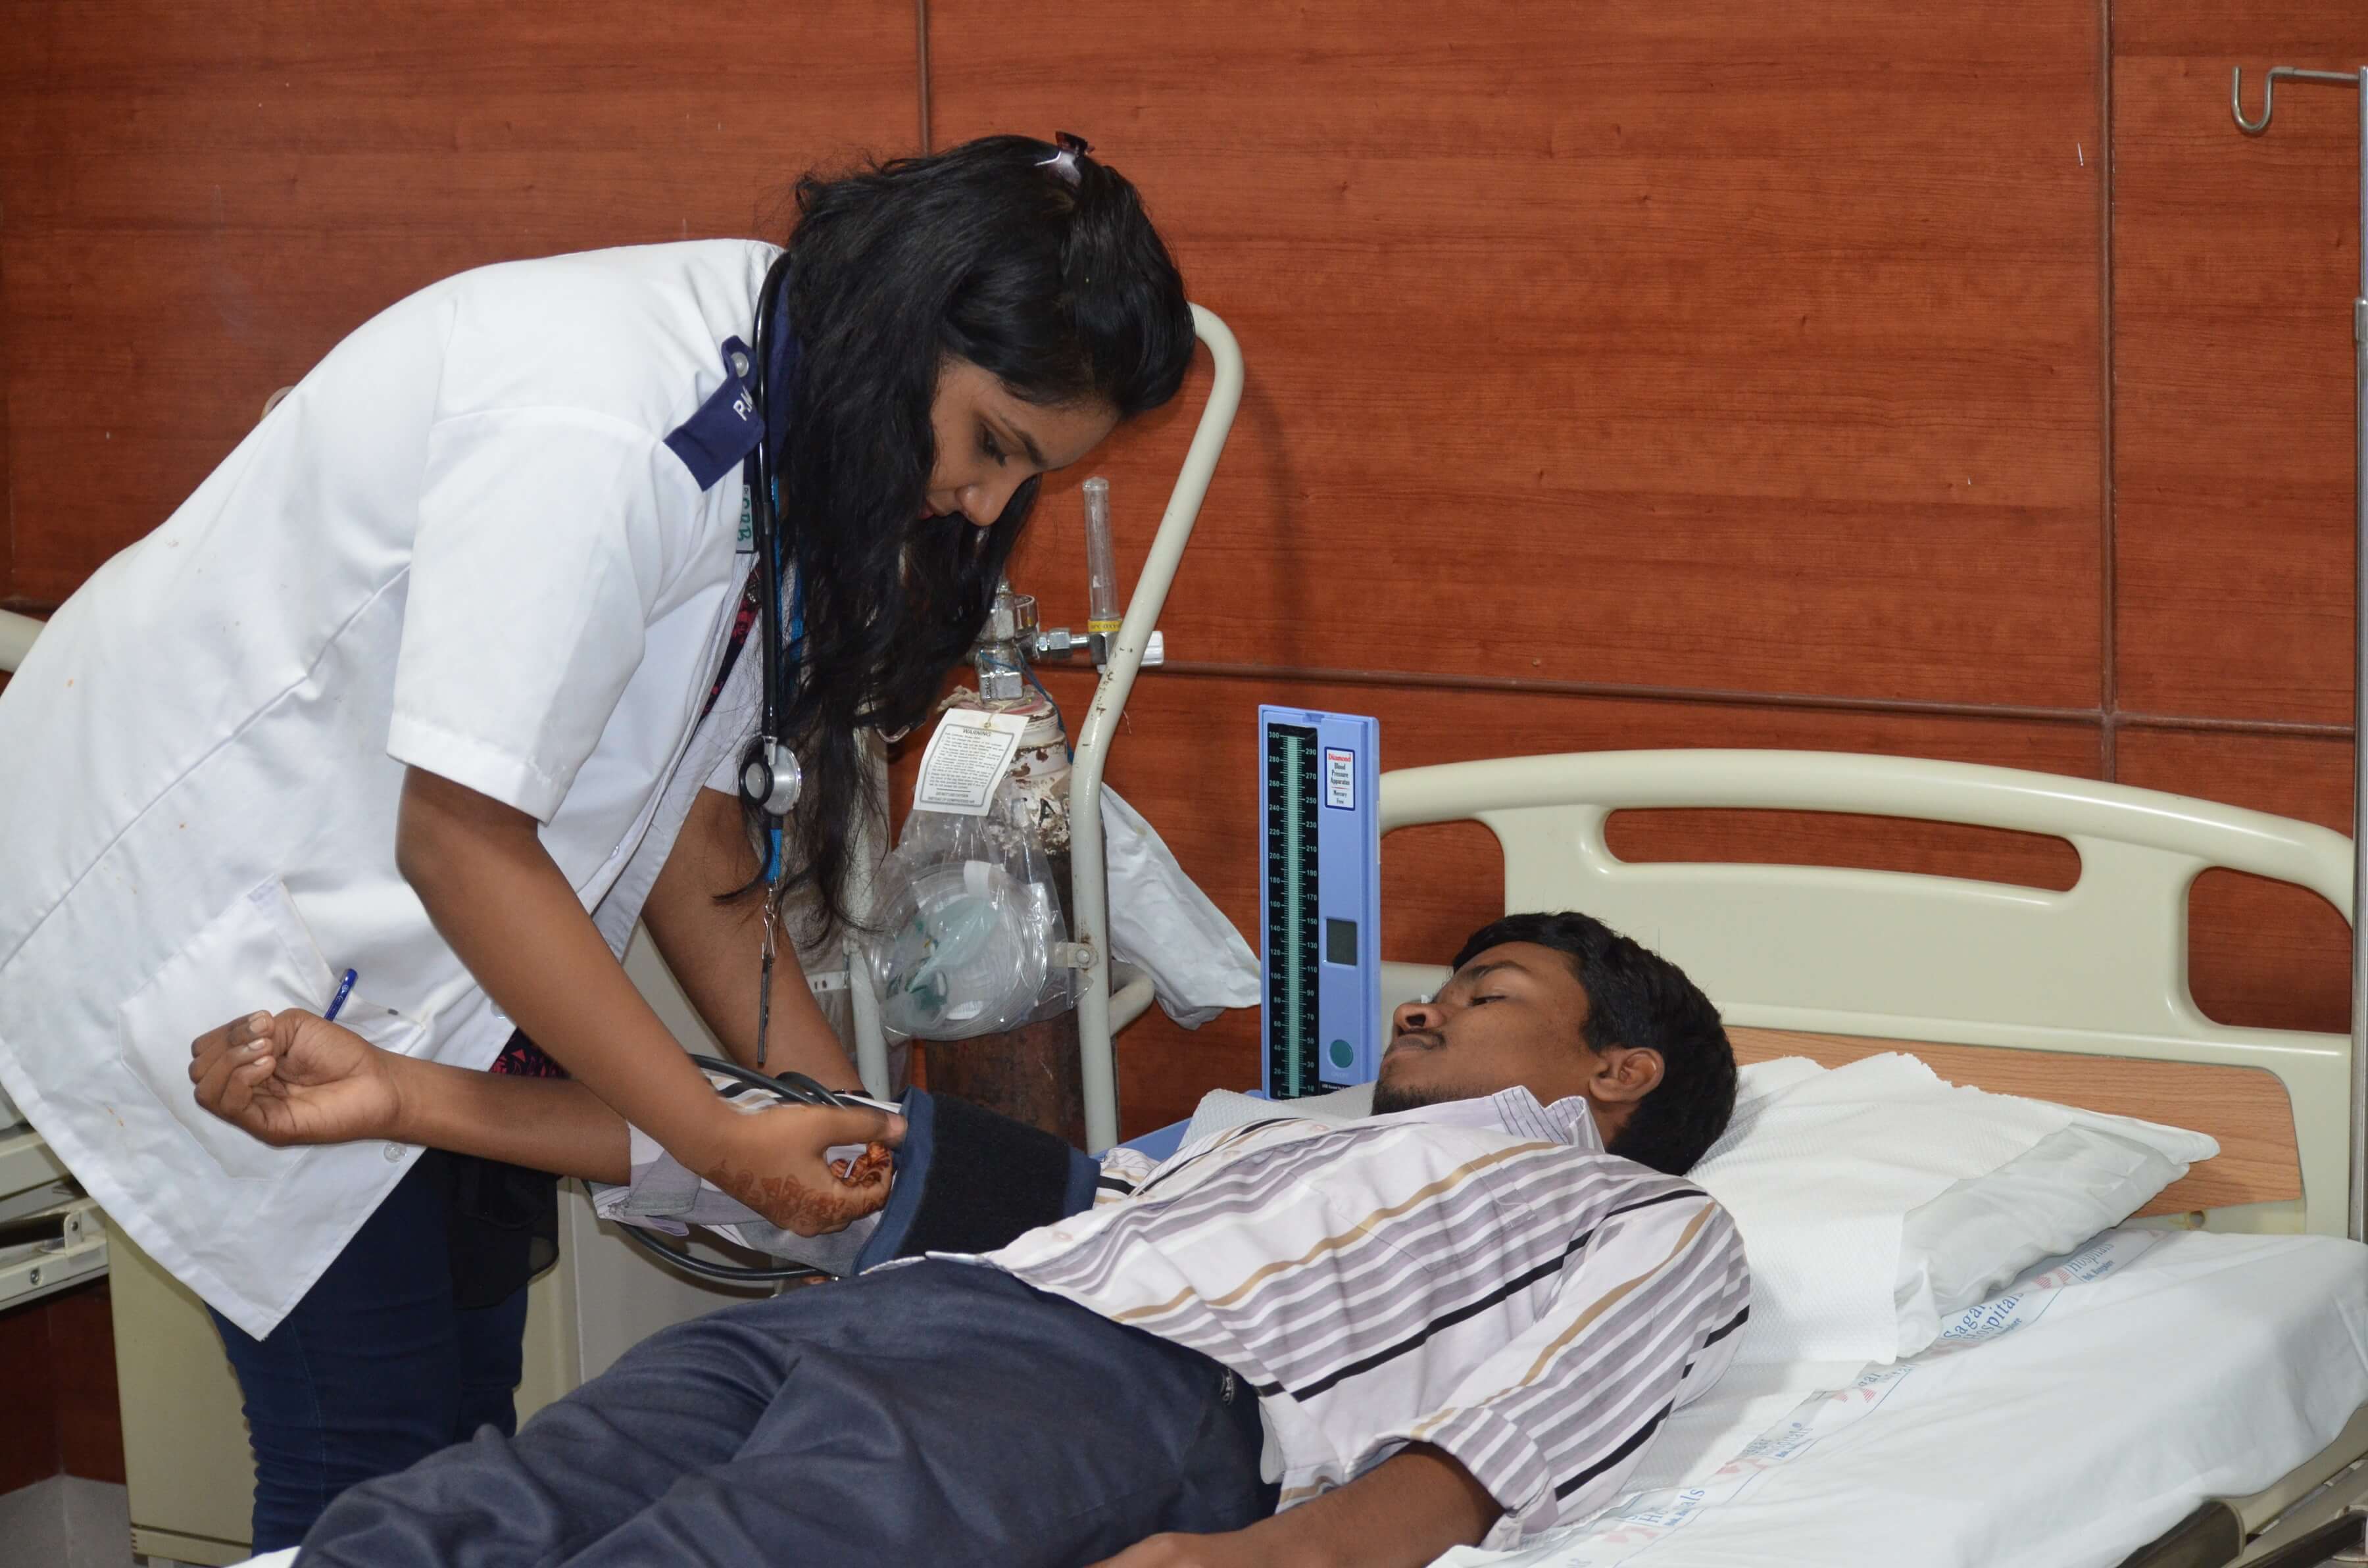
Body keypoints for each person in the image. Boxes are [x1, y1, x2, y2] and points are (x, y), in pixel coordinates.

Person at [0, 133, 1194, 1548]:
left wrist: (845, 1125)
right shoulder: (606, 428)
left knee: (466, 1444)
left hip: (422, 956)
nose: (986, 504)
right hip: (212, 900)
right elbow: (459, 840)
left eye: (1026, 473)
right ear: (911, 321)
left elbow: (696, 826)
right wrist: (718, 1138)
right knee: (374, 1452)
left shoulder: (795, 411)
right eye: (991, 443)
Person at [192, 910, 1748, 1567]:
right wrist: (407, 1093)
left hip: (1130, 1382)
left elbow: (1545, 1408)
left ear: (1619, 1073)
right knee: (473, 1507)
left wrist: (1279, 1558)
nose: (1422, 1004)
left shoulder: (1639, 1210)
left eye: (1485, 993)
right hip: (893, 1315)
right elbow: (817, 1149)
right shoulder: (1242, 1140)